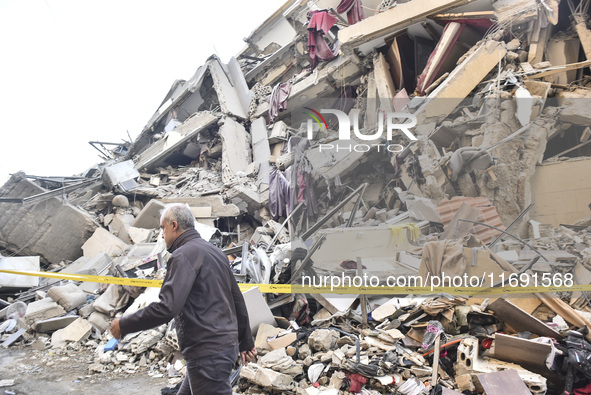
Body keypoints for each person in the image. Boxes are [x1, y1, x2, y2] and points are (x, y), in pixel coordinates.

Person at [110, 203, 256, 395]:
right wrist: (245, 341)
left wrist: (124, 324)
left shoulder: (183, 255)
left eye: (163, 228)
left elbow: (167, 308)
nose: (162, 235)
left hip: (208, 353)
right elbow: (238, 301)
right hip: (217, 349)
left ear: (174, 225)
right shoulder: (216, 253)